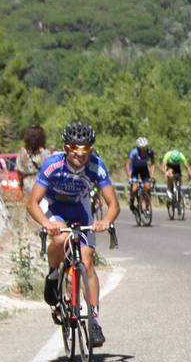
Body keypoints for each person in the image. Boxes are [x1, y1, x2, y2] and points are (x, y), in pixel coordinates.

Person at [25, 122, 120, 347]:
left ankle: (94, 322)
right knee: (60, 239)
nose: (80, 156)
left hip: (80, 207)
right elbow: (32, 203)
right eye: (75, 150)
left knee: (87, 263)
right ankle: (53, 274)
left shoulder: (97, 166)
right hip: (55, 207)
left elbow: (113, 204)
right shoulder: (52, 164)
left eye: (85, 150)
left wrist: (105, 221)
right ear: (67, 148)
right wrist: (46, 223)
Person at [125, 137, 156, 213]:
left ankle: (147, 206)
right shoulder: (134, 152)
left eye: (145, 148)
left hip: (144, 169)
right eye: (142, 148)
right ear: (138, 148)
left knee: (148, 187)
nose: (144, 150)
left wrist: (152, 176)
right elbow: (127, 165)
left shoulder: (150, 152)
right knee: (134, 188)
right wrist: (129, 178)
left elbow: (153, 164)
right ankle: (132, 201)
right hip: (134, 169)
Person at [15, 125, 47, 194]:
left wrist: (20, 186)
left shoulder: (22, 152)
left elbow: (19, 172)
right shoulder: (45, 153)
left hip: (27, 185)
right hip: (42, 185)